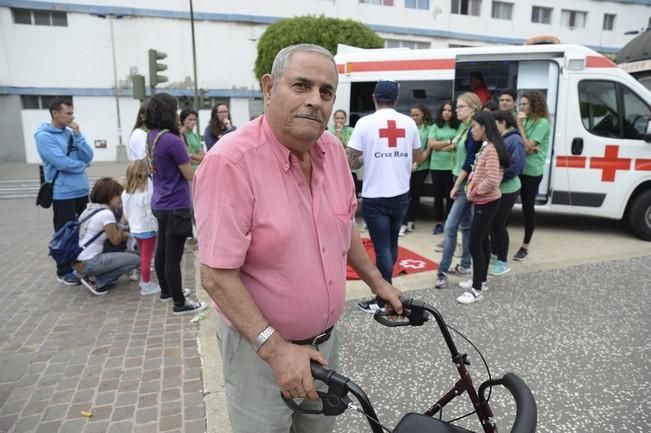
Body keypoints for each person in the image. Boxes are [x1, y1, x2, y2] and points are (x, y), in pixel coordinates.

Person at [193, 44, 403, 433]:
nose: (314, 101)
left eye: (325, 92)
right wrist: (275, 350)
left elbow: (344, 228)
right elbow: (216, 276)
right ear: (269, 87)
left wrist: (378, 283)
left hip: (325, 344)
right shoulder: (230, 163)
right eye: (301, 85)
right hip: (259, 351)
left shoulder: (334, 152)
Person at [346, 79, 424, 313]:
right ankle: (387, 291)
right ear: (397, 100)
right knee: (391, 243)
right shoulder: (408, 122)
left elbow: (352, 159)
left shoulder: (364, 123)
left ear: (374, 98)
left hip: (375, 195)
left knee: (382, 249)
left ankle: (384, 297)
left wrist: (366, 157)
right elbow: (418, 157)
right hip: (401, 192)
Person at [146, 92, 207, 315]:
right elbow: (189, 174)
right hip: (176, 204)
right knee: (173, 257)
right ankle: (180, 302)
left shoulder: (152, 135)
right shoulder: (173, 140)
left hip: (160, 201)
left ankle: (167, 291)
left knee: (162, 251)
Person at [35, 97, 94, 285]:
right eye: (68, 113)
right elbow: (61, 162)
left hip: (81, 190)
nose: (72, 116)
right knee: (65, 233)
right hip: (63, 193)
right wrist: (83, 165)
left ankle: (81, 266)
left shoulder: (70, 134)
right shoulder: (44, 136)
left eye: (72, 112)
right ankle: (63, 270)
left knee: (84, 231)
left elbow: (88, 154)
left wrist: (78, 135)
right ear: (55, 114)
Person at [456, 111, 510, 305]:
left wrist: (474, 191)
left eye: (474, 127)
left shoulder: (491, 150)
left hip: (486, 203)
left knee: (474, 245)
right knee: (484, 244)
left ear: (484, 127)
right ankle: (482, 280)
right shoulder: (487, 147)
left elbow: (493, 179)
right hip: (484, 202)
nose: (472, 131)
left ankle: (476, 289)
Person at [434, 92, 482, 290]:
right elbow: (455, 148)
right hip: (459, 179)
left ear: (473, 108)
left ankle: (442, 272)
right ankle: (464, 265)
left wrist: (456, 185)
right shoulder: (464, 128)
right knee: (466, 226)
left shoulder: (473, 130)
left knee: (450, 227)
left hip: (464, 183)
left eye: (461, 107)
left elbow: (471, 161)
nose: (456, 110)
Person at [72, 177, 140, 295]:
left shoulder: (90, 208)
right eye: (118, 195)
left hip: (77, 260)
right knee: (135, 259)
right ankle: (97, 281)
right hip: (90, 261)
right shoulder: (106, 214)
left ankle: (86, 274)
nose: (121, 199)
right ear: (109, 196)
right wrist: (124, 222)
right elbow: (115, 240)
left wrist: (127, 234)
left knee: (130, 255)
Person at [514, 90, 551, 261]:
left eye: (524, 104)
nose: (521, 107)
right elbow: (519, 143)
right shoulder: (525, 119)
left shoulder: (542, 123)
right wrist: (525, 143)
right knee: (506, 206)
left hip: (532, 171)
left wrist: (521, 128)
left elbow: (528, 146)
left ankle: (525, 246)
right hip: (518, 168)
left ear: (534, 105)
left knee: (527, 208)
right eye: (520, 104)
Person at [489, 111, 526, 277]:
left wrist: (496, 177)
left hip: (508, 188)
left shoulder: (514, 139)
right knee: (494, 224)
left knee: (498, 224)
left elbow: (516, 167)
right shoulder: (503, 138)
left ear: (502, 122)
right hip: (499, 188)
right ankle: (495, 254)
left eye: (494, 123)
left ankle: (503, 262)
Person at [121, 159, 161, 295]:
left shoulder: (126, 193)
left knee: (143, 255)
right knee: (146, 257)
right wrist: (156, 227)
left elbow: (126, 213)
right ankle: (146, 284)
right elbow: (150, 212)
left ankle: (144, 280)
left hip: (135, 229)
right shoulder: (147, 191)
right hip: (147, 229)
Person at [400, 104, 433, 236]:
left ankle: (410, 221)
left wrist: (417, 163)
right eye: (412, 115)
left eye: (416, 115)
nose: (413, 118)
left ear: (423, 114)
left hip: (421, 167)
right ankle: (403, 222)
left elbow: (427, 149)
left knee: (415, 195)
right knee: (405, 195)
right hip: (407, 167)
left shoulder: (429, 129)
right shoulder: (407, 128)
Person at [428, 101, 460, 235]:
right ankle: (438, 223)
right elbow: (431, 144)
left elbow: (457, 145)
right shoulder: (435, 126)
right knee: (437, 196)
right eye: (444, 110)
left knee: (450, 196)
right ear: (441, 112)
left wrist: (440, 146)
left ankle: (449, 222)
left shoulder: (457, 127)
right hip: (436, 166)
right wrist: (448, 142)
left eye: (450, 110)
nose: (447, 112)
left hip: (450, 166)